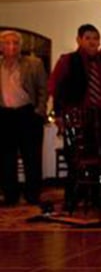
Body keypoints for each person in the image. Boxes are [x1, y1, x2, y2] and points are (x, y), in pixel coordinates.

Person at [49, 24, 101, 156]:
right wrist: (59, 114)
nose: (92, 42)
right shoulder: (68, 60)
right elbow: (56, 86)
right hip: (77, 116)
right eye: (88, 38)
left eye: (96, 38)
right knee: (77, 156)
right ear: (79, 40)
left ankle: (99, 176)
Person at [0, 30, 48, 206]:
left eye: (15, 43)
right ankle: (10, 195)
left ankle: (32, 194)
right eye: (7, 43)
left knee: (32, 158)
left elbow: (44, 90)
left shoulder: (34, 64)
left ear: (21, 46)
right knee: (6, 159)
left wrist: (39, 112)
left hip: (28, 114)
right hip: (4, 116)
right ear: (1, 46)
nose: (11, 46)